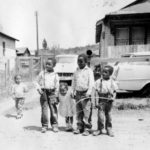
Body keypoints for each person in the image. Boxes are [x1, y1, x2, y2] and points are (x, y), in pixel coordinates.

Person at [71, 53, 94, 136]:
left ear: (86, 62)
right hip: (77, 93)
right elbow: (73, 81)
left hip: (85, 94)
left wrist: (88, 93)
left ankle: (87, 128)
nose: (79, 63)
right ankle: (80, 127)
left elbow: (91, 83)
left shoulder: (89, 71)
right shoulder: (76, 71)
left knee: (86, 111)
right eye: (78, 61)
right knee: (79, 111)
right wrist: (72, 91)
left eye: (81, 62)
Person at [93, 65, 118, 137]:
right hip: (101, 101)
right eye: (103, 72)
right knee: (100, 116)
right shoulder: (98, 81)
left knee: (109, 116)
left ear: (110, 74)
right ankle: (99, 129)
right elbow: (95, 92)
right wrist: (96, 102)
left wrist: (113, 98)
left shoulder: (112, 82)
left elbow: (115, 91)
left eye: (105, 72)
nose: (103, 73)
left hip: (109, 101)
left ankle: (109, 129)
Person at [35, 58, 59, 133]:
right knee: (44, 109)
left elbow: (57, 85)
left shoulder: (55, 74)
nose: (47, 65)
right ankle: (44, 125)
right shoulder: (42, 73)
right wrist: (39, 89)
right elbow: (36, 82)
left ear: (54, 65)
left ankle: (54, 125)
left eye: (49, 64)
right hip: (44, 93)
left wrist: (56, 94)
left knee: (53, 109)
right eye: (46, 64)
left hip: (52, 93)